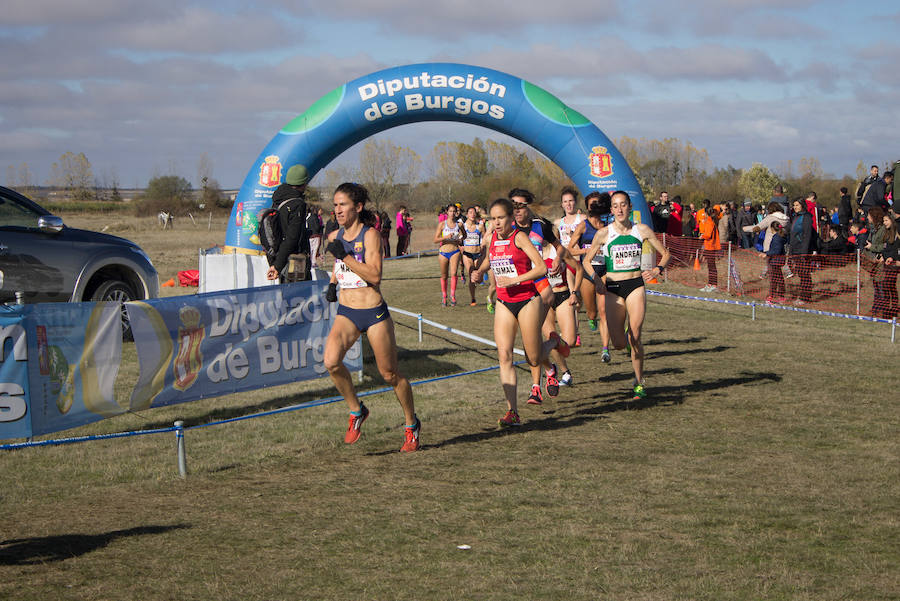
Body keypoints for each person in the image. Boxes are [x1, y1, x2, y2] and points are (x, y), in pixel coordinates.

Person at [323, 182, 420, 452]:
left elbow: (375, 275)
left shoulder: (371, 236)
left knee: (389, 374)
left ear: (358, 207)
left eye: (343, 204)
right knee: (331, 362)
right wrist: (333, 282)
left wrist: (346, 256)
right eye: (335, 205)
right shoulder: (334, 236)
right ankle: (357, 410)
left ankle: (411, 424)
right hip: (347, 311)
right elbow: (338, 263)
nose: (338, 209)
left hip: (373, 311)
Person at [469, 198, 564, 427]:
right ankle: (512, 412)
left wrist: (516, 280)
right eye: (493, 218)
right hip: (504, 301)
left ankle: (552, 344)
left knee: (532, 358)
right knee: (505, 356)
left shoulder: (519, 237)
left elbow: (540, 267)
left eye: (501, 217)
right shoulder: (492, 238)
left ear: (511, 218)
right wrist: (479, 271)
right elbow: (491, 260)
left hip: (527, 300)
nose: (497, 222)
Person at [583, 191, 670, 400]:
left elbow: (666, 254)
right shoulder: (604, 234)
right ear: (611, 210)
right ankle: (621, 332)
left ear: (629, 207)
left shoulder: (641, 230)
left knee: (636, 334)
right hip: (613, 287)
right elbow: (586, 261)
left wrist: (657, 269)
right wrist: (597, 280)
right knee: (619, 344)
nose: (620, 209)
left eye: (623, 205)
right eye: (615, 206)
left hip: (635, 285)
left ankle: (639, 382)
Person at [509, 187, 574, 405]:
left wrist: (558, 259)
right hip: (517, 289)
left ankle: (535, 388)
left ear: (529, 207)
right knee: (532, 344)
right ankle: (551, 364)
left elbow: (560, 247)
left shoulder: (541, 226)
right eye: (513, 206)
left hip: (539, 286)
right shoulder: (507, 229)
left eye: (520, 205)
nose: (516, 211)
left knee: (533, 337)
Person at [567, 191, 613, 362]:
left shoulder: (608, 227)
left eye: (597, 204)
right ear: (587, 207)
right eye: (592, 204)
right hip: (587, 272)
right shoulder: (583, 226)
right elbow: (570, 249)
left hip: (604, 271)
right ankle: (591, 318)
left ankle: (605, 349)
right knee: (592, 312)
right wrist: (587, 250)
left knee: (604, 312)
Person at [265, 164, 310, 283]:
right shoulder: (297, 204)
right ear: (304, 183)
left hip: (279, 256)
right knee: (300, 297)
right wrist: (278, 266)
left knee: (286, 297)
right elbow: (292, 237)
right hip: (294, 260)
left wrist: (276, 264)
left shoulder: (278, 199)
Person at [555, 187, 585, 344]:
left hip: (582, 263)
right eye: (565, 201)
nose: (568, 204)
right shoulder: (558, 223)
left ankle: (591, 317)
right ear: (562, 204)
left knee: (580, 301)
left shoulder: (583, 219)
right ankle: (576, 332)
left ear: (576, 202)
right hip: (567, 264)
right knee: (572, 298)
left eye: (571, 201)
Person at [743, 201, 788, 304]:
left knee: (773, 277)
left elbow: (758, 227)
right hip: (781, 254)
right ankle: (781, 295)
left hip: (771, 253)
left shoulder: (771, 221)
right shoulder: (786, 220)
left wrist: (745, 228)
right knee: (779, 276)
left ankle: (771, 296)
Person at [788, 198, 816, 305]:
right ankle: (803, 295)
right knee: (801, 273)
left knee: (804, 274)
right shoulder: (795, 217)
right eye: (794, 205)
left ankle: (805, 297)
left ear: (802, 206)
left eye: (797, 205)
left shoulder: (807, 217)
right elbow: (793, 235)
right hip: (795, 249)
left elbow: (807, 236)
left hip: (803, 251)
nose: (795, 207)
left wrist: (804, 252)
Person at [434, 204, 463, 306]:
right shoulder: (442, 224)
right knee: (444, 275)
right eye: (450, 211)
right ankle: (444, 296)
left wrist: (460, 239)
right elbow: (435, 239)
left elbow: (464, 235)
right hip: (443, 252)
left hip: (455, 251)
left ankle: (453, 296)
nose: (452, 213)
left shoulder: (459, 225)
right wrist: (445, 237)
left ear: (457, 213)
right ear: (447, 212)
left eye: (454, 211)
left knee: (454, 273)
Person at [460, 206, 486, 306]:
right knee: (471, 276)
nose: (473, 214)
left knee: (478, 278)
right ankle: (473, 299)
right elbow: (459, 238)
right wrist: (460, 246)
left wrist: (483, 247)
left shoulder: (480, 226)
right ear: (467, 214)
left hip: (478, 254)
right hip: (467, 254)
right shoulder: (463, 226)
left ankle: (479, 280)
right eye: (470, 212)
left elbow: (485, 237)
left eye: (474, 212)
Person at [697, 199, 721, 292]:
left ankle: (713, 285)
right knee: (710, 267)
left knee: (711, 267)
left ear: (707, 214)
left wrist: (702, 236)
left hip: (710, 247)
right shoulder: (710, 222)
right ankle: (710, 284)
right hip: (710, 247)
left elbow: (708, 235)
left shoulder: (709, 222)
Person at [306, 203, 323, 268]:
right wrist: (320, 227)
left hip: (310, 235)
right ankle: (313, 262)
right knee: (315, 249)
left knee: (311, 249)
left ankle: (311, 261)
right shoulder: (315, 218)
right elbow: (317, 227)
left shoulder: (308, 218)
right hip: (316, 234)